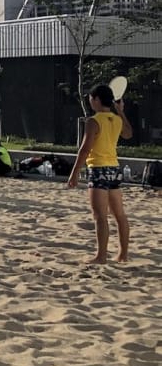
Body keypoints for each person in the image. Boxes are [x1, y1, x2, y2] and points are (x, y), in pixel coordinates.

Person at [67, 83, 133, 264]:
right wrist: (121, 111)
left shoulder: (93, 121)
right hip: (114, 169)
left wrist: (74, 173)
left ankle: (101, 256)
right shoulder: (116, 119)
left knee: (100, 216)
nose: (89, 101)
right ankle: (123, 254)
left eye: (90, 98)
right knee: (119, 215)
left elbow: (85, 149)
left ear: (96, 99)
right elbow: (128, 134)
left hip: (98, 169)